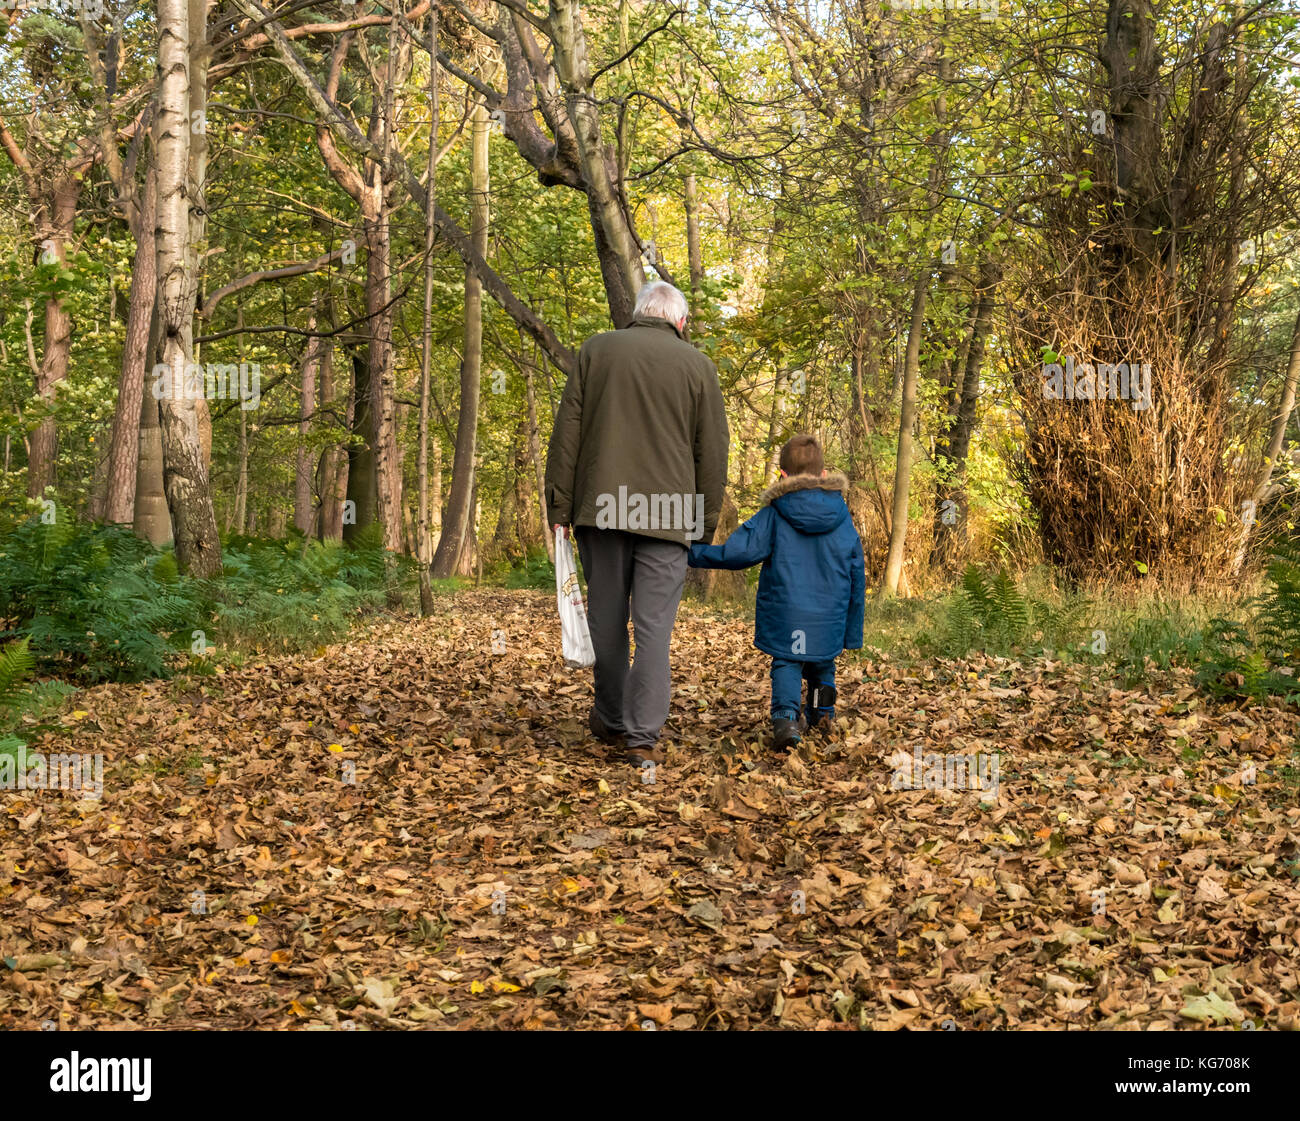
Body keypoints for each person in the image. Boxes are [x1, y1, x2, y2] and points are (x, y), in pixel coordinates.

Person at [544, 281, 729, 767]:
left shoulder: (596, 350)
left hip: (603, 509)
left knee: (606, 622)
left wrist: (560, 508)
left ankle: (610, 715)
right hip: (669, 520)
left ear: (638, 313)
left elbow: (568, 434)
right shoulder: (699, 367)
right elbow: (711, 455)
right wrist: (703, 527)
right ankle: (642, 737)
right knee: (653, 631)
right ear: (680, 322)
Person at [687, 434, 864, 752]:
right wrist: (852, 631)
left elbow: (737, 553)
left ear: (782, 476)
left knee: (788, 661)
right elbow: (856, 575)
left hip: (788, 612)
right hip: (829, 615)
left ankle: (786, 718)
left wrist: (693, 553)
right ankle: (822, 713)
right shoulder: (842, 518)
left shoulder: (774, 514)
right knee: (823, 665)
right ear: (823, 475)